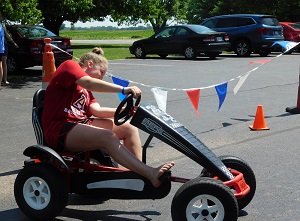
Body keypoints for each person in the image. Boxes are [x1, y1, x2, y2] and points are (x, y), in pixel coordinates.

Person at [42, 50, 174, 188]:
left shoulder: (86, 90)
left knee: (129, 128)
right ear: (90, 63)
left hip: (79, 124)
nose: (102, 78)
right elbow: (89, 82)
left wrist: (125, 110)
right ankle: (149, 173)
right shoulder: (69, 66)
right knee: (108, 136)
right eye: (102, 72)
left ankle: (139, 174)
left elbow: (97, 111)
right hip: (59, 128)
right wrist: (123, 89)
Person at [0, 12, 18, 88]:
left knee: (4, 63)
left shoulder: (2, 25)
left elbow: (7, 35)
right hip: (1, 47)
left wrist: (14, 43)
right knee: (1, 64)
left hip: (3, 46)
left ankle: (5, 79)